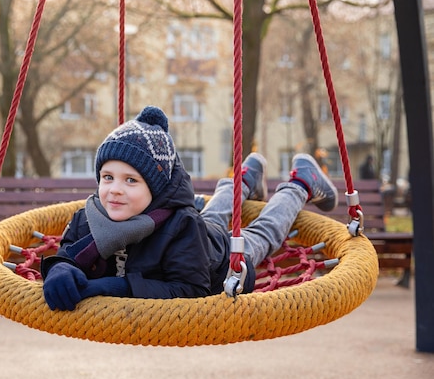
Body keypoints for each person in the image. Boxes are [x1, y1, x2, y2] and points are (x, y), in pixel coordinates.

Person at [41, 106, 338, 311]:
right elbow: (67, 253)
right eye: (107, 177)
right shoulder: (89, 217)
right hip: (197, 237)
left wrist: (115, 287)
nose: (114, 189)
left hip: (222, 264)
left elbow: (191, 291)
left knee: (263, 232)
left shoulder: (182, 225)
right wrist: (60, 269)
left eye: (131, 180)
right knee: (209, 219)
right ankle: (245, 179)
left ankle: (299, 184)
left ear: (156, 191)